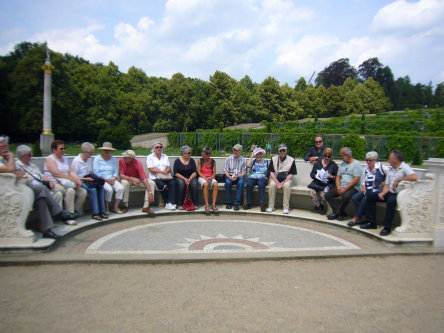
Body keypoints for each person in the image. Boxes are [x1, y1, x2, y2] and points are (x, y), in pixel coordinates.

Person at [16, 144, 78, 238]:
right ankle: (61, 213)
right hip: (29, 190)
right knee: (43, 189)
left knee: (46, 197)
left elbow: (41, 175)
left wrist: (48, 180)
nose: (31, 156)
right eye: (29, 155)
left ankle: (46, 229)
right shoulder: (18, 164)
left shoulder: (32, 165)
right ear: (22, 156)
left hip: (39, 190)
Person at [361, 150, 417, 236]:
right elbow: (386, 185)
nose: (388, 160)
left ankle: (387, 227)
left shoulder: (404, 167)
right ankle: (371, 222)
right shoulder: (390, 169)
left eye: (390, 158)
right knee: (370, 196)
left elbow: (414, 177)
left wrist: (399, 179)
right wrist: (382, 193)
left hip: (400, 195)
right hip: (389, 192)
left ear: (396, 159)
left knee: (391, 201)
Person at [44, 140, 87, 224]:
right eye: (61, 149)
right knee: (70, 191)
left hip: (67, 182)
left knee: (83, 192)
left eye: (64, 148)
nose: (64, 150)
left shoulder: (65, 158)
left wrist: (77, 179)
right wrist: (72, 179)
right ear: (54, 150)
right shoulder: (50, 159)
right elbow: (56, 173)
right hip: (55, 183)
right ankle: (68, 216)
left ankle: (75, 211)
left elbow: (71, 171)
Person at [0, 137, 34, 235]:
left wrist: (15, 170)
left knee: (29, 192)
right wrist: (10, 156)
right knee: (27, 193)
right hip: (5, 190)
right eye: (3, 146)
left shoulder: (4, 159)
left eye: (7, 146)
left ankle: (20, 227)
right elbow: (10, 169)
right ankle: (18, 229)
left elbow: (16, 170)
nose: (6, 148)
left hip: (11, 187)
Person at [347, 151, 388, 227]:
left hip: (377, 191)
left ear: (375, 160)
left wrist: (385, 182)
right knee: (355, 198)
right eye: (367, 160)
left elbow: (390, 175)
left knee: (366, 198)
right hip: (367, 191)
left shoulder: (382, 168)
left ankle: (356, 218)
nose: (368, 162)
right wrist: (363, 188)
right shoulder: (366, 169)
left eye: (370, 160)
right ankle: (364, 217)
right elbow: (363, 181)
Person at [71, 142, 107, 221]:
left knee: (100, 187)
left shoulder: (88, 159)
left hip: (88, 178)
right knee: (93, 190)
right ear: (85, 152)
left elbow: (90, 172)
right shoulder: (76, 161)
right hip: (80, 180)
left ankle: (102, 211)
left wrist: (97, 178)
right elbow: (74, 176)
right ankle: (95, 213)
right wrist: (86, 179)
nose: (91, 155)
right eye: (91, 153)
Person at [325, 147, 362, 221]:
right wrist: (338, 187)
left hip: (353, 187)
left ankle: (337, 213)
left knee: (346, 196)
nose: (340, 157)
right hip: (342, 186)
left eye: (341, 155)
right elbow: (338, 177)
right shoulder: (342, 164)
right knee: (328, 195)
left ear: (347, 155)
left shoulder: (356, 164)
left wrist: (345, 189)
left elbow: (356, 179)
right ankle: (340, 213)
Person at [119, 150, 155, 215]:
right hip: (127, 179)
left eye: (126, 157)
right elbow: (121, 175)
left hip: (138, 179)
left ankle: (146, 206)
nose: (124, 158)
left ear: (131, 159)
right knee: (125, 183)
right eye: (124, 156)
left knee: (151, 183)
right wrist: (131, 178)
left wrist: (150, 193)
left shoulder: (138, 163)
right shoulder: (121, 161)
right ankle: (125, 205)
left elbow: (144, 178)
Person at [93, 142, 125, 214]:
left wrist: (113, 178)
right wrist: (105, 179)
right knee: (109, 189)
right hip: (101, 179)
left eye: (109, 150)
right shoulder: (97, 158)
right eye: (105, 150)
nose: (107, 152)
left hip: (111, 179)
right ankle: (106, 207)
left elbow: (115, 171)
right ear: (103, 150)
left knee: (121, 188)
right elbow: (96, 172)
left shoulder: (113, 159)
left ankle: (115, 207)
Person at [267, 143, 297, 214]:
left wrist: (283, 182)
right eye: (281, 151)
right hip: (275, 178)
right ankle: (271, 206)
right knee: (272, 185)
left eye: (284, 150)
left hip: (286, 179)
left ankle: (286, 207)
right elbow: (271, 172)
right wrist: (276, 181)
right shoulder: (273, 159)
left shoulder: (291, 160)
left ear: (286, 151)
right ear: (278, 151)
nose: (282, 152)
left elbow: (291, 174)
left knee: (286, 186)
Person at [307, 148, 338, 215]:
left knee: (324, 194)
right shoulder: (318, 163)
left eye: (329, 156)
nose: (326, 158)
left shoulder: (333, 165)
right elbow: (311, 174)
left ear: (331, 156)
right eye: (325, 156)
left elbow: (337, 177)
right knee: (311, 191)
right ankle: (320, 206)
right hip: (317, 183)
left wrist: (331, 176)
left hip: (327, 184)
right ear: (323, 155)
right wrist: (315, 175)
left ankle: (318, 205)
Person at [147, 143, 176, 210]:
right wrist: (162, 172)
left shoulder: (165, 156)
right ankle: (167, 203)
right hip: (155, 177)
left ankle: (170, 202)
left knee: (173, 182)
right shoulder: (150, 157)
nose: (159, 148)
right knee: (162, 185)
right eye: (157, 147)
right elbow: (151, 169)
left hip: (165, 176)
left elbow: (168, 167)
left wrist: (167, 171)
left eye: (160, 147)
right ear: (153, 149)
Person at [174, 146, 198, 210]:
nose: (190, 154)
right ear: (183, 154)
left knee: (194, 184)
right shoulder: (177, 161)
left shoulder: (192, 160)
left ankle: (195, 203)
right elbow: (176, 173)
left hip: (190, 177)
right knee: (181, 184)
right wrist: (184, 179)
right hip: (180, 177)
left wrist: (189, 179)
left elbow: (194, 172)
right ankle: (180, 203)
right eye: (189, 153)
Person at [244, 147, 268, 212]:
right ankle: (249, 203)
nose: (259, 155)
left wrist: (269, 180)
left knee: (261, 184)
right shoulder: (253, 161)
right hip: (253, 177)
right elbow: (248, 165)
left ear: (262, 154)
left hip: (262, 178)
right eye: (257, 154)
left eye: (260, 154)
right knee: (249, 183)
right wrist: (252, 155)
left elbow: (269, 172)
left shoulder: (266, 162)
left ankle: (262, 204)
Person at [197, 146, 219, 215]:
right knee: (206, 184)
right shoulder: (200, 160)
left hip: (210, 177)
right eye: (202, 154)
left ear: (208, 155)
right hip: (202, 177)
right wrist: (205, 178)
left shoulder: (213, 161)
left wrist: (210, 178)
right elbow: (199, 172)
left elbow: (214, 173)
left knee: (216, 184)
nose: (202, 156)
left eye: (203, 155)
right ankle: (206, 205)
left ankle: (213, 204)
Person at [224, 144, 247, 211]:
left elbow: (244, 172)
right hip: (230, 175)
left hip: (239, 176)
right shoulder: (228, 159)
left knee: (241, 182)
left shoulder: (243, 160)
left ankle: (236, 203)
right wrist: (229, 177)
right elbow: (226, 171)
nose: (234, 151)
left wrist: (237, 176)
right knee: (227, 183)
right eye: (234, 150)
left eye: (236, 150)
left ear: (240, 151)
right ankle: (229, 203)